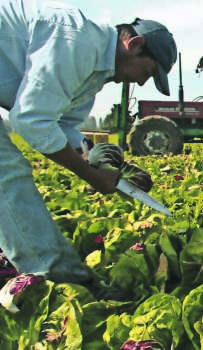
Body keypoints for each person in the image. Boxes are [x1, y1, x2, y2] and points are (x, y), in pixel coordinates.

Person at [0, 0, 177, 296]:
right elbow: (31, 120)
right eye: (148, 72)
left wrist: (103, 161)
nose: (143, 82)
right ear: (134, 44)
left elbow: (64, 127)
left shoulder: (94, 76)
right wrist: (91, 176)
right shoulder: (76, 40)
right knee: (7, 174)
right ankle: (66, 283)